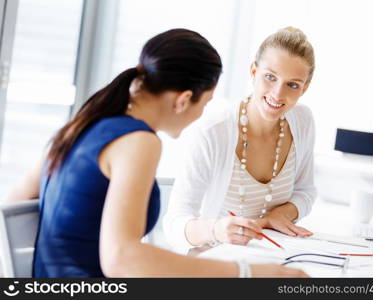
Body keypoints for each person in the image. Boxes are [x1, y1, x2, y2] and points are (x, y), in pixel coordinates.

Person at [3, 28, 308, 278]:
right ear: (184, 99)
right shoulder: (139, 141)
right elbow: (122, 259)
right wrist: (246, 273)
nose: (201, 114)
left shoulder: (84, 122)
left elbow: (13, 207)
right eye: (204, 104)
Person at [163, 27, 316, 253]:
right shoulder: (214, 131)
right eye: (270, 77)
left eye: (292, 84)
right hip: (215, 263)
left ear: (304, 88)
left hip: (273, 260)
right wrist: (216, 229)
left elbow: (305, 191)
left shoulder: (302, 121)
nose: (277, 93)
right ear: (253, 72)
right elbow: (174, 223)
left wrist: (280, 214)